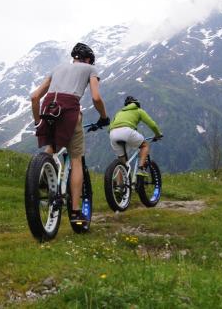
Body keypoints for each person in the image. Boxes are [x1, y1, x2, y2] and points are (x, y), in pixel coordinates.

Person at [30, 43, 109, 223]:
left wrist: (38, 121)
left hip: (48, 108)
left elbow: (35, 97)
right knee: (76, 159)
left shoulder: (57, 68)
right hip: (69, 110)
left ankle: (40, 176)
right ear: (88, 59)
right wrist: (104, 117)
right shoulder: (90, 68)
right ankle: (75, 212)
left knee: (52, 146)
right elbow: (96, 98)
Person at [109, 96, 163, 177]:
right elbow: (152, 125)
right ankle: (141, 169)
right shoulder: (138, 110)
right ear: (136, 103)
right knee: (144, 145)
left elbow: (110, 127)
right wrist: (158, 134)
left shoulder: (119, 113)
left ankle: (119, 188)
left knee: (122, 164)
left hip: (112, 133)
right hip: (127, 131)